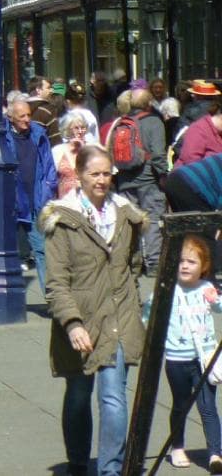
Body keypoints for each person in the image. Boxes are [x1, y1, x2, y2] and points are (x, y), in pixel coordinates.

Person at [43, 143, 147, 476]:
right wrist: (72, 323)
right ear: (80, 175)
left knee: (113, 398)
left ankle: (110, 471)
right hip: (82, 320)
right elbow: (56, 283)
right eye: (94, 174)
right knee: (78, 393)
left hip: (118, 318)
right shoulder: (63, 220)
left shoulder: (125, 215)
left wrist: (131, 301)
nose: (101, 180)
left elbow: (134, 265)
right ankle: (77, 461)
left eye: (106, 173)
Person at [162, 235, 222, 472]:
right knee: (180, 404)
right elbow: (150, 316)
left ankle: (216, 453)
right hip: (177, 358)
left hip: (204, 357)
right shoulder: (169, 290)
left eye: (191, 262)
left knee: (208, 407)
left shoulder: (206, 287)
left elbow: (219, 306)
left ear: (203, 267)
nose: (185, 266)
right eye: (181, 261)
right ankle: (177, 446)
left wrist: (215, 300)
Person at [108, 86, 170, 272]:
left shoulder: (121, 123)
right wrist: (163, 176)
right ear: (149, 103)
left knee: (130, 224)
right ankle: (153, 264)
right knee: (151, 221)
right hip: (148, 179)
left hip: (125, 179)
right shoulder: (154, 122)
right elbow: (158, 154)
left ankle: (133, 264)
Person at [4, 93, 60, 289]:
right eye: (22, 116)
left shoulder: (38, 133)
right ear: (11, 117)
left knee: (42, 250)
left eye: (28, 115)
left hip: (35, 199)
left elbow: (49, 167)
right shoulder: (1, 134)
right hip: (11, 201)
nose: (27, 120)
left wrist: (47, 190)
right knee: (6, 252)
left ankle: (52, 298)